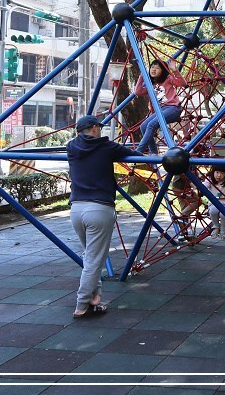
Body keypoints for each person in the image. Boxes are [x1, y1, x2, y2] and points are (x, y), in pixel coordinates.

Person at [67, 114, 135, 319]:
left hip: (76, 208)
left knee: (90, 257)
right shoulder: (107, 147)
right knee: (94, 260)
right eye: (100, 127)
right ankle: (81, 304)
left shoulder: (71, 146)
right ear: (95, 129)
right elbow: (131, 153)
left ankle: (94, 298)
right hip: (99, 208)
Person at [134, 58, 188, 154]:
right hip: (161, 110)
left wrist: (174, 70)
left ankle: (138, 151)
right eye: (152, 67)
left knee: (151, 125)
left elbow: (183, 83)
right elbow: (138, 91)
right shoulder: (151, 84)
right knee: (143, 126)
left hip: (173, 108)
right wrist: (142, 75)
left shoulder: (168, 79)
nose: (153, 69)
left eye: (157, 68)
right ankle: (153, 152)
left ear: (163, 71)